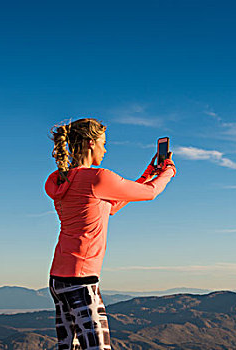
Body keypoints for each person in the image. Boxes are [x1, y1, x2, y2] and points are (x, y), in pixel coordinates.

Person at [45, 118, 176, 350]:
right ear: (89, 143)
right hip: (81, 281)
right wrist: (168, 171)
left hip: (58, 279)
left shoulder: (60, 180)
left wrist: (148, 173)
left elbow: (110, 206)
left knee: (70, 347)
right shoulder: (98, 178)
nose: (105, 149)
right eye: (103, 143)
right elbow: (151, 193)